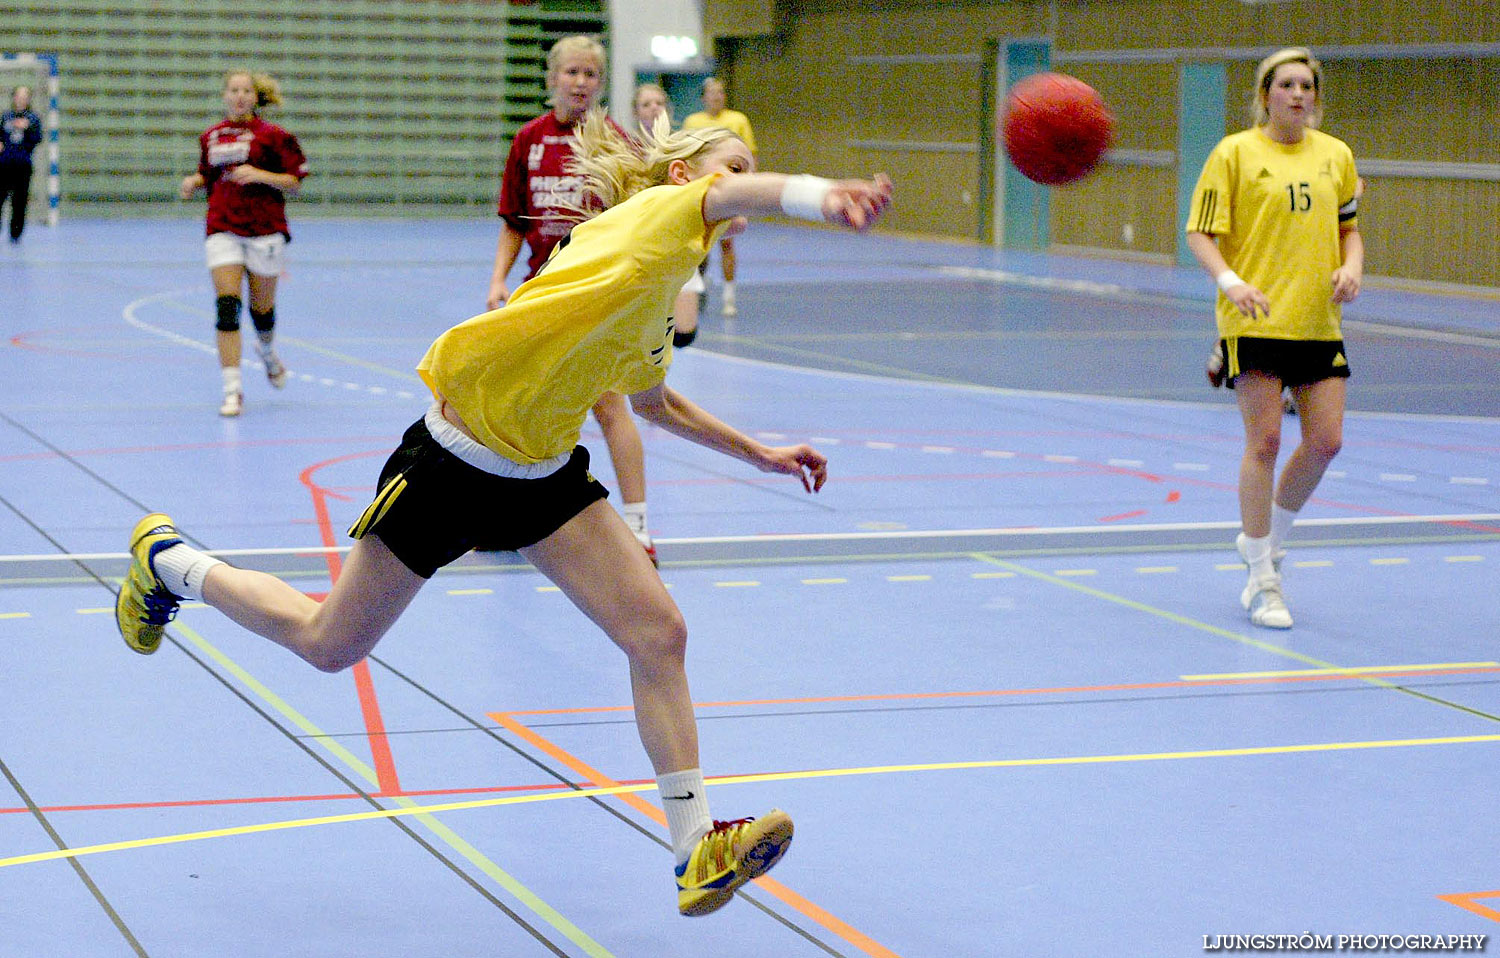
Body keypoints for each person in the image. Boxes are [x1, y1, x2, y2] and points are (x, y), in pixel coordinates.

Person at [115, 106, 893, 917]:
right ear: (684, 177)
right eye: (729, 168)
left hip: (545, 478)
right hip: (454, 461)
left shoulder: (661, 287)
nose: (740, 182)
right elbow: (743, 196)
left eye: (748, 168)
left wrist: (758, 454)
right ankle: (170, 562)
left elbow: (654, 402)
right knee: (328, 644)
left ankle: (695, 846)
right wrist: (818, 193)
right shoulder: (655, 218)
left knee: (658, 632)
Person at [1186, 47, 1363, 630]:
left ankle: (1266, 543)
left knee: (1326, 442)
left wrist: (1352, 266)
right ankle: (1264, 581)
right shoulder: (1234, 153)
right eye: (1286, 84)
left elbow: (1349, 231)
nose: (1298, 94)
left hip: (1316, 320)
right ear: (1265, 95)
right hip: (1255, 319)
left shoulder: (1335, 155)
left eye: (1307, 85)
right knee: (1264, 441)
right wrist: (1230, 281)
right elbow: (1201, 233)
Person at [488, 36, 658, 563]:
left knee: (609, 403)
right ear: (552, 79)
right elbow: (514, 221)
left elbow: (641, 222)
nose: (581, 82)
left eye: (591, 74)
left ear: (600, 84)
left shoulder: (616, 142)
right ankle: (506, 514)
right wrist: (499, 280)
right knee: (516, 402)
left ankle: (638, 526)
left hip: (596, 290)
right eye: (572, 73)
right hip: (543, 289)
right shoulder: (529, 141)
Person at [179, 70, 310, 418]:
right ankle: (233, 390)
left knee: (261, 310)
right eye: (233, 90)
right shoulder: (211, 136)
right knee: (227, 306)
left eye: (246, 91)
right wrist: (194, 181)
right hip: (223, 227)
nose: (239, 96)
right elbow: (208, 174)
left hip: (265, 230)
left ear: (255, 97)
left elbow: (295, 180)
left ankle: (267, 353)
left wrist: (260, 175)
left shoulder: (275, 136)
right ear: (225, 96)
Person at [633, 82, 702, 347]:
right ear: (636, 112)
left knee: (683, 333)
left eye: (659, 103)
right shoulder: (627, 153)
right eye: (646, 104)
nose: (653, 109)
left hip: (679, 249)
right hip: (642, 254)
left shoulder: (686, 150)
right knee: (646, 342)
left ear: (668, 110)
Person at [682, 78, 757, 316]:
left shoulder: (738, 120)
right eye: (712, 93)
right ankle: (696, 288)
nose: (716, 97)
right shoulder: (693, 122)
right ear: (703, 97)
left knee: (727, 241)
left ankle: (729, 296)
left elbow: (750, 156)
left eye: (721, 93)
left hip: (730, 192)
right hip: (701, 192)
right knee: (697, 245)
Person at [1, 86, 44, 243]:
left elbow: (38, 138)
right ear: (14, 98)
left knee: (19, 202)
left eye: (25, 96)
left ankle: (15, 234)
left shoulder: (33, 118)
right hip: (4, 165)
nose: (21, 99)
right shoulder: (6, 116)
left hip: (22, 166)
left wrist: (28, 128)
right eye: (19, 96)